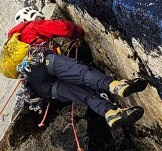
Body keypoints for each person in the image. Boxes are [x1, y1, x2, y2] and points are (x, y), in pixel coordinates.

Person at [8, 8, 144, 129]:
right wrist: (78, 32)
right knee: (82, 73)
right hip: (43, 62)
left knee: (84, 94)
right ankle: (116, 86)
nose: (42, 20)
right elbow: (63, 28)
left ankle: (111, 114)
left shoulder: (15, 44)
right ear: (31, 17)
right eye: (39, 18)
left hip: (40, 87)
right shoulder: (31, 26)